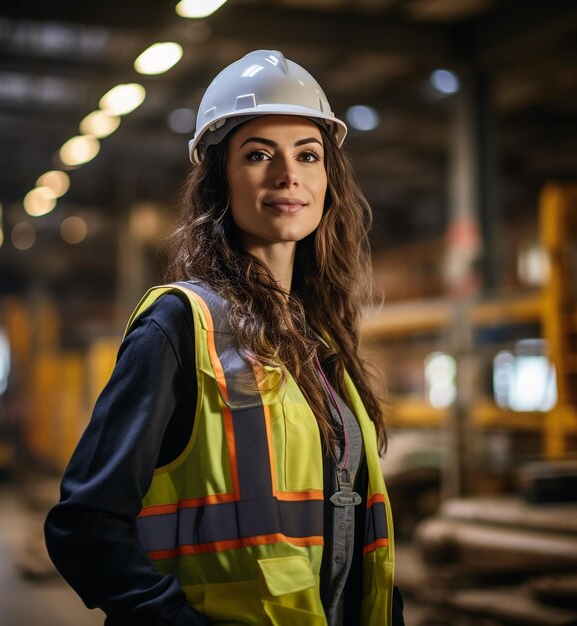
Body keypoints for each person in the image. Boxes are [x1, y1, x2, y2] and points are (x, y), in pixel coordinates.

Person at [45, 49, 404, 625]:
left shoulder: (319, 345)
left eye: (308, 155)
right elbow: (83, 525)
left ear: (327, 178)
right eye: (259, 154)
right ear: (219, 179)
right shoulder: (181, 326)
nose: (288, 175)